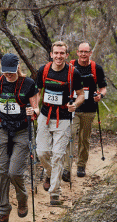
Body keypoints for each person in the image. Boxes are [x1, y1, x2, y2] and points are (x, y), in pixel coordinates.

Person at [0, 53, 39, 222]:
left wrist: (34, 112)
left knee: (14, 172)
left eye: (11, 71)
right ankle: (3, 211)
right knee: (1, 172)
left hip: (22, 131)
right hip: (2, 130)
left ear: (18, 67)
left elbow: (36, 108)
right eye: (5, 71)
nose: (8, 75)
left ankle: (22, 199)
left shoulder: (29, 84)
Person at [35, 41, 84, 205]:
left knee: (58, 155)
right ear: (51, 54)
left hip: (63, 118)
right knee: (42, 153)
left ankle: (55, 193)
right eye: (56, 53)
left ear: (67, 55)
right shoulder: (44, 70)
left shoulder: (73, 72)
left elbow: (81, 95)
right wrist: (35, 108)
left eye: (62, 53)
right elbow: (36, 92)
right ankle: (49, 173)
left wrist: (75, 105)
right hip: (45, 115)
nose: (58, 56)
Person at [62, 41, 107, 181]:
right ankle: (67, 169)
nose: (83, 54)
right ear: (77, 52)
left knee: (84, 139)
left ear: (90, 53)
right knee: (69, 137)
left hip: (89, 109)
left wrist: (101, 95)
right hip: (73, 109)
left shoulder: (96, 68)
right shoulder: (69, 66)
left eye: (86, 52)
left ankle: (81, 165)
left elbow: (103, 87)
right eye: (81, 51)